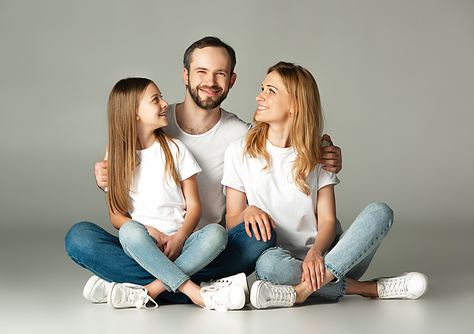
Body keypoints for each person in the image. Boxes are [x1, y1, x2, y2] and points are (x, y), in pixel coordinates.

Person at [65, 37, 342, 305]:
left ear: (231, 80)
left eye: (220, 73)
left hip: (209, 249)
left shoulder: (243, 135)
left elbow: (289, 144)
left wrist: (324, 149)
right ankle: (195, 289)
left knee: (263, 236)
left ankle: (139, 287)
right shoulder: (157, 123)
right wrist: (105, 173)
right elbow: (124, 165)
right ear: (185, 75)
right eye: (201, 72)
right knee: (80, 238)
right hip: (147, 243)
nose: (210, 82)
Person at [221, 61, 428, 309]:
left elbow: (328, 220)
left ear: (295, 105)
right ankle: (369, 289)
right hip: (283, 263)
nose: (259, 96)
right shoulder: (239, 151)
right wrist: (247, 211)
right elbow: (232, 219)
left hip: (336, 256)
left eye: (270, 91)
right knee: (267, 266)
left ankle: (300, 292)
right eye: (263, 88)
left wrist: (317, 253)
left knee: (380, 212)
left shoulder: (318, 152)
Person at [87, 77, 246, 310]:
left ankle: (146, 290)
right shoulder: (116, 158)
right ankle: (196, 291)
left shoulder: (176, 149)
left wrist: (179, 239)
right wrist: (149, 231)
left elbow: (195, 207)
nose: (164, 104)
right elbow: (117, 217)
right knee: (109, 233)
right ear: (134, 113)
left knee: (216, 234)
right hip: (143, 243)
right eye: (155, 100)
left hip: (184, 243)